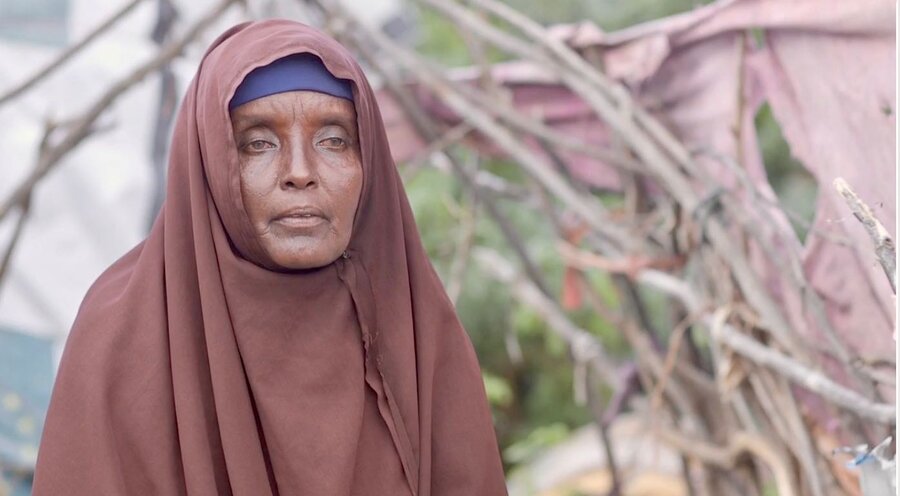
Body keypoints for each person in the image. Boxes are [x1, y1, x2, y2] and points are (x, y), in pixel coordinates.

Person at [32, 19, 508, 495]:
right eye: (258, 142)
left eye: (334, 140)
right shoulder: (123, 337)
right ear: (212, 165)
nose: (299, 172)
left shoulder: (418, 333)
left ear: (370, 162)